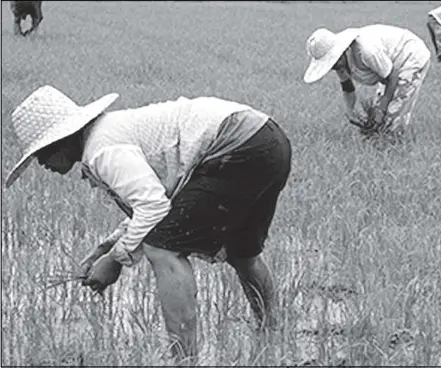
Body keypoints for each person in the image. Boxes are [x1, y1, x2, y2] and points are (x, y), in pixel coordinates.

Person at [5, 85, 292, 363]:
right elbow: (154, 201)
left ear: (61, 139)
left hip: (236, 146)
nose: (42, 163)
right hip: (267, 139)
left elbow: (153, 207)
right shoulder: (107, 134)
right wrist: (106, 247)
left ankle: (184, 360)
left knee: (162, 250)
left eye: (41, 153)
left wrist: (116, 261)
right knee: (243, 253)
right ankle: (271, 331)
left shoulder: (102, 150)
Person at [303, 24, 431, 140]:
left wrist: (382, 108)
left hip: (410, 55)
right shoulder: (340, 63)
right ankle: (380, 146)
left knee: (393, 113)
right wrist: (350, 111)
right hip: (389, 69)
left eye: (333, 62)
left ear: (340, 52)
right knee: (377, 118)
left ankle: (396, 147)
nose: (333, 67)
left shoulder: (366, 51)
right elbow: (347, 87)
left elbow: (393, 75)